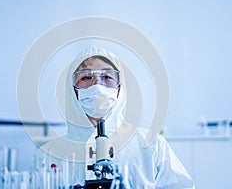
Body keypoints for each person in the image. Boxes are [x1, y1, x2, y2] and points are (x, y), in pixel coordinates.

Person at [33, 47, 195, 188]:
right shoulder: (48, 155)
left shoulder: (152, 146)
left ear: (120, 88)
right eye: (86, 77)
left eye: (107, 77)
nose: (97, 85)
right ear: (71, 89)